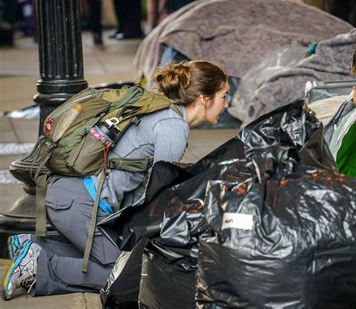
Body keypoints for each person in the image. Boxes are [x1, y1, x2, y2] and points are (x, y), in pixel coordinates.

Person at [2, 60, 229, 300]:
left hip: (69, 196)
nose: (227, 104)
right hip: (79, 204)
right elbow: (161, 196)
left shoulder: (161, 111)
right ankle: (37, 266)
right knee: (127, 274)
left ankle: (33, 246)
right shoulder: (172, 126)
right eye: (224, 96)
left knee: (116, 257)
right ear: (204, 98)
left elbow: (143, 185)